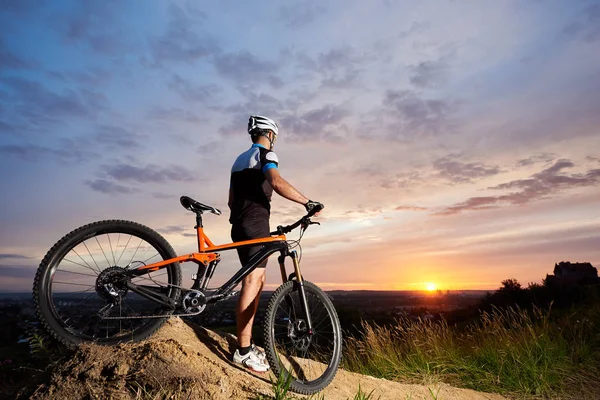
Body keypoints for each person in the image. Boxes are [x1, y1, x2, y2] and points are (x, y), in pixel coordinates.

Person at [228, 115, 322, 372]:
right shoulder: (266, 155)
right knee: (253, 281)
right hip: (256, 223)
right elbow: (276, 182)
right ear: (270, 135)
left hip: (239, 225)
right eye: (275, 138)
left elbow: (231, 200)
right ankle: (244, 351)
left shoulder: (238, 160)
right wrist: (307, 202)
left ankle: (245, 344)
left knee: (256, 279)